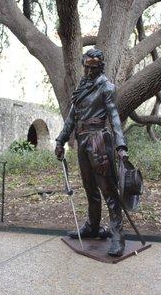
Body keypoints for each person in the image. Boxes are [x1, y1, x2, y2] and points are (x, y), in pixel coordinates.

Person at [55, 48, 128, 257]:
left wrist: (121, 146)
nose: (88, 72)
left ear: (100, 67)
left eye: (92, 68)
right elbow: (72, 117)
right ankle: (93, 226)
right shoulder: (82, 87)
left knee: (109, 191)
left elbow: (114, 117)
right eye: (86, 67)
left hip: (99, 142)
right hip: (82, 141)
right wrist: (61, 139)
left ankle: (117, 235)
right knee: (90, 189)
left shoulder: (107, 87)